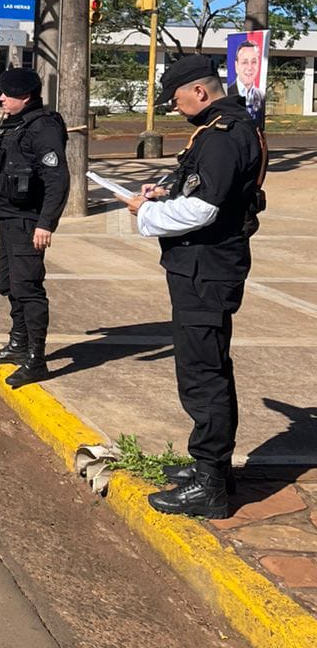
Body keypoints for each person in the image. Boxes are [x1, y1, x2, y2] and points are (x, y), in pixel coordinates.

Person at [124, 55, 267, 519]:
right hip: (202, 267)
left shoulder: (224, 137)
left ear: (200, 92)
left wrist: (145, 215)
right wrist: (165, 193)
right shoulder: (222, 129)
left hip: (206, 270)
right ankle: (212, 467)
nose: (176, 105)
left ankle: (210, 484)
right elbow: (201, 191)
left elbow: (204, 211)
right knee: (209, 366)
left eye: (177, 97)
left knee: (202, 372)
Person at [0, 67, 69, 389]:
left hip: (29, 222)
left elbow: (57, 180)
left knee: (28, 288)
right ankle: (18, 345)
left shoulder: (42, 127)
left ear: (25, 97)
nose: (1, 98)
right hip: (8, 218)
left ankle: (36, 359)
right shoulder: (13, 124)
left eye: (7, 93)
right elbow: (2, 169)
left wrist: (46, 223)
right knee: (10, 284)